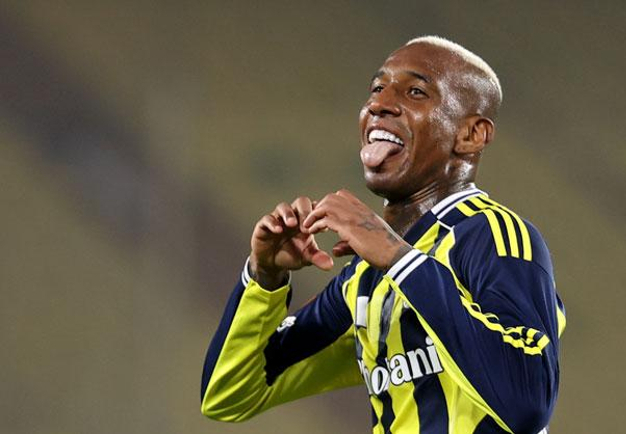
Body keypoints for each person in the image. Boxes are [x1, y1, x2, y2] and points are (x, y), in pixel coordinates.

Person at [200, 36, 566, 434]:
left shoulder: (492, 235)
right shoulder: (363, 279)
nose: (380, 104)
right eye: (377, 89)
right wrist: (265, 277)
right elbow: (229, 394)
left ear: (471, 135)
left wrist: (398, 258)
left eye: (415, 92)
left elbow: (527, 401)